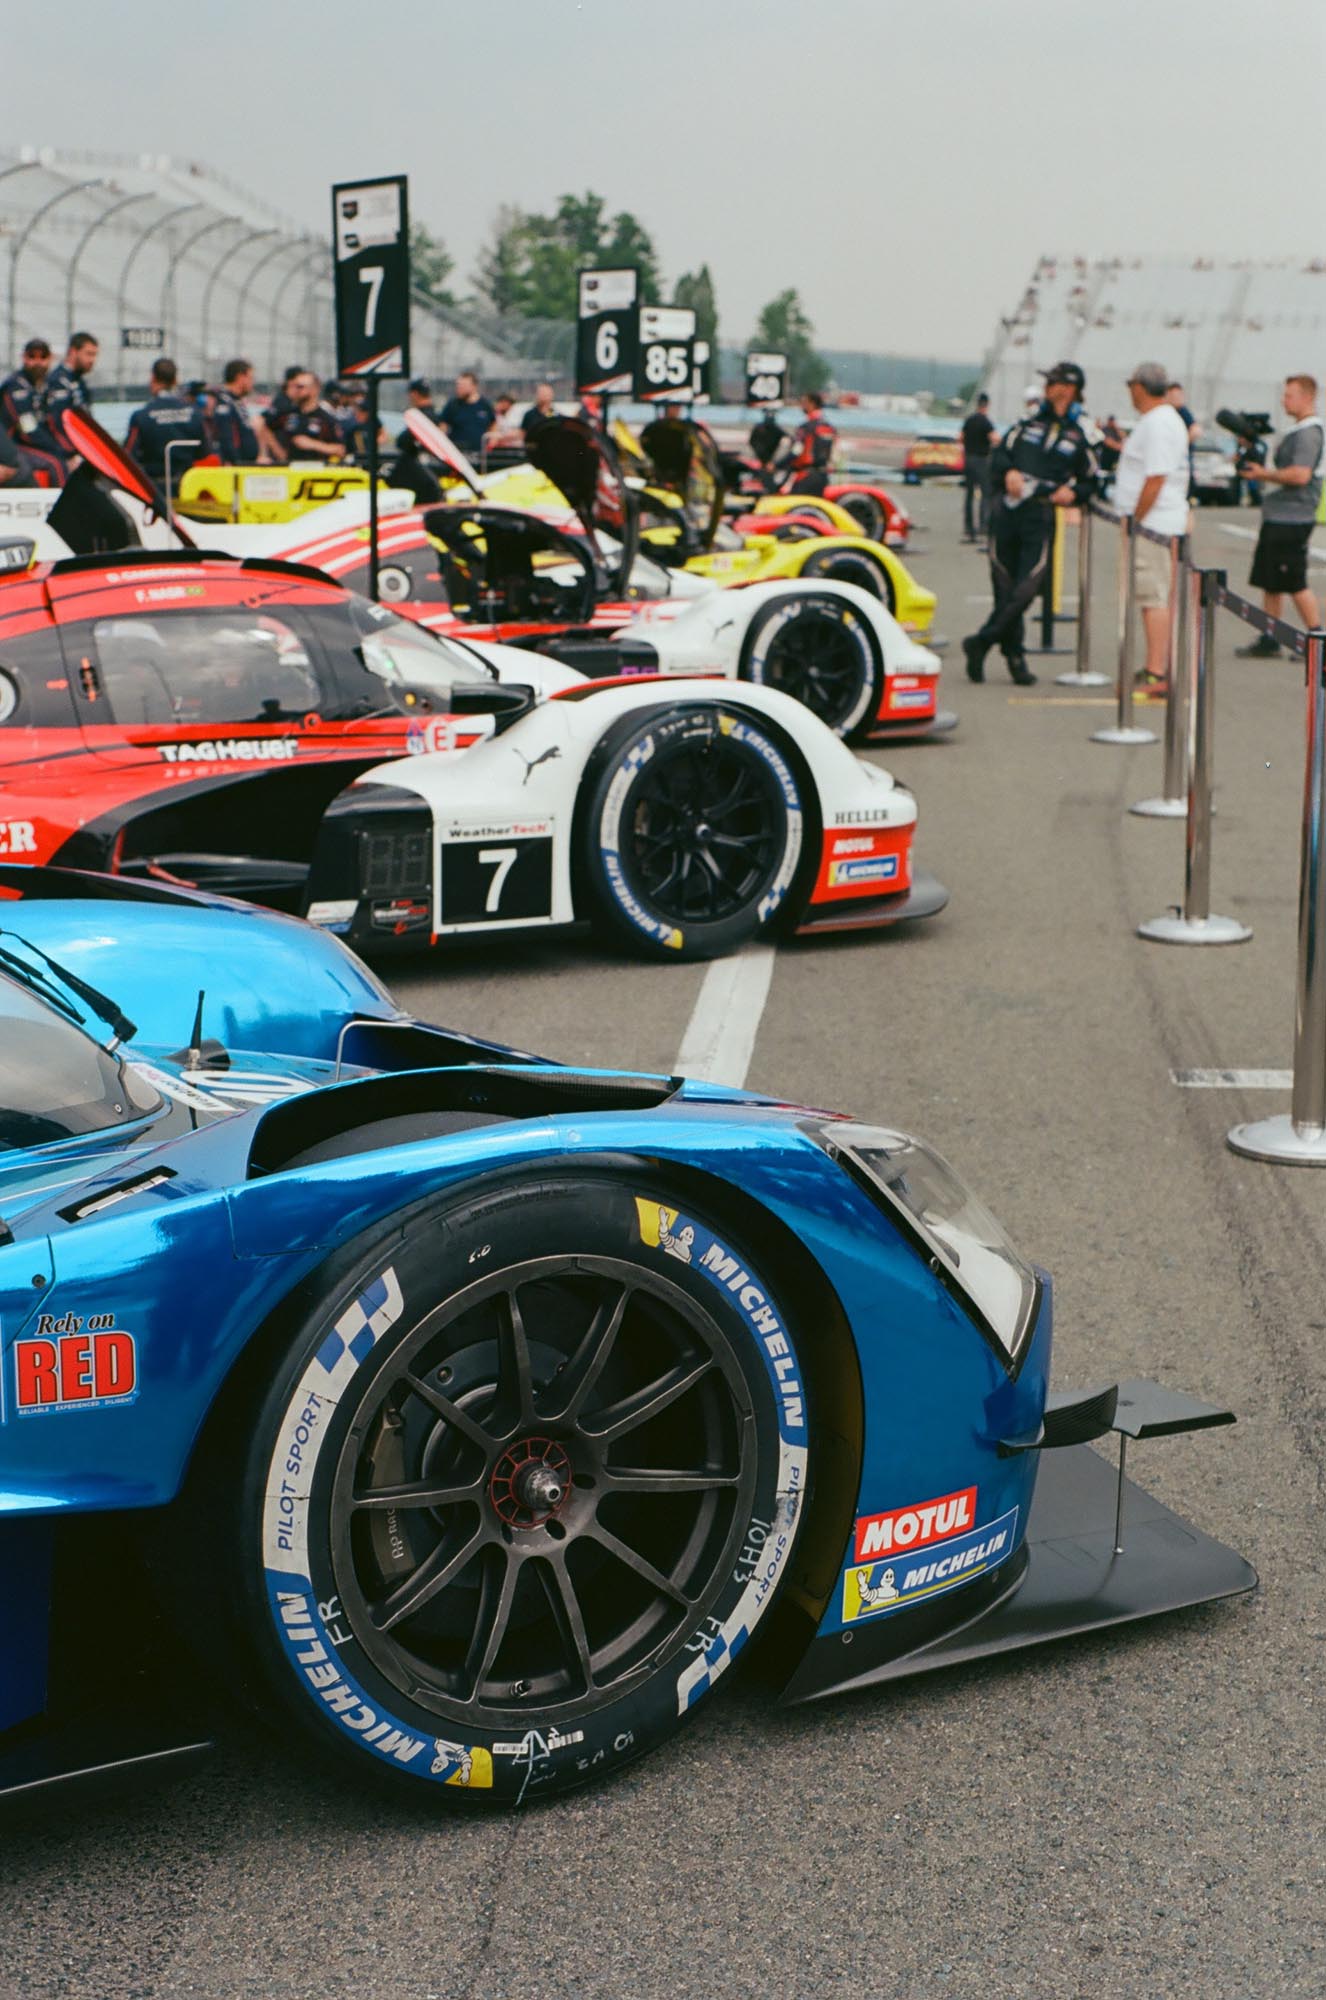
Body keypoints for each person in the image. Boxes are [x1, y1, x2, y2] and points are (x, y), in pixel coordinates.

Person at [962, 361, 1096, 687]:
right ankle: (1015, 658)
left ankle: (982, 640)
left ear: (1073, 391)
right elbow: (1001, 455)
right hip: (1007, 513)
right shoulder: (1026, 424)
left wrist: (1073, 491)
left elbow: (1093, 480)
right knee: (1004, 587)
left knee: (1026, 589)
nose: (1054, 389)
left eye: (1060, 385)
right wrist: (1007, 471)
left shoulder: (1082, 434)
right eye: (1050, 384)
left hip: (1041, 514)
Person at [1109, 362, 1191, 694]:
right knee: (1154, 596)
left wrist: (1135, 519)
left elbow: (1155, 477)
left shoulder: (1158, 423)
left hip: (1153, 524)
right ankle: (1156, 667)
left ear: (1140, 387)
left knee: (1152, 596)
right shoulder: (1164, 419)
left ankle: (1157, 672)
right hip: (1160, 521)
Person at [1236, 374, 1324, 656]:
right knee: (1270, 581)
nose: (1284, 400)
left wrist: (1263, 474)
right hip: (1279, 516)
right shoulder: (1297, 431)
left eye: (1289, 395)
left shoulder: (1309, 433)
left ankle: (1317, 638)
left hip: (1293, 517)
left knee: (1294, 580)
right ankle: (1270, 636)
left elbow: (1300, 474)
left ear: (1308, 397)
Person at [124, 357, 205, 486]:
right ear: (175, 380)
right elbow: (205, 454)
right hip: (188, 486)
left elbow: (128, 457)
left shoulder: (141, 416)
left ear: (152, 378)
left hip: (155, 489)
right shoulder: (195, 413)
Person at [0, 338, 64, 484]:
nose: (37, 362)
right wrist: (56, 447)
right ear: (24, 358)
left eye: (43, 357)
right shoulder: (16, 387)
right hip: (13, 446)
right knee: (56, 463)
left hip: (34, 444)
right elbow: (27, 429)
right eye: (32, 357)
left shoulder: (46, 386)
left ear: (50, 359)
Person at [42, 331, 100, 466]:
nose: (92, 360)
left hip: (84, 449)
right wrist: (70, 452)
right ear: (73, 352)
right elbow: (56, 423)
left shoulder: (80, 381)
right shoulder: (59, 380)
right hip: (68, 453)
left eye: (95, 355)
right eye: (89, 354)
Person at [207, 358, 273, 465]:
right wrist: (237, 462)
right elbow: (226, 437)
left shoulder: (236, 401)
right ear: (240, 378)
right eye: (251, 378)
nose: (253, 383)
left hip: (247, 464)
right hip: (236, 467)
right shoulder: (224, 401)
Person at [272, 372, 346, 461]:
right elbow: (262, 425)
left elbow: (340, 450)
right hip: (290, 470)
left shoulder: (326, 419)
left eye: (300, 387)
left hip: (315, 471)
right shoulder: (286, 414)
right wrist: (277, 452)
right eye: (294, 387)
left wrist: (313, 444)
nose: (295, 390)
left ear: (315, 389)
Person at [960, 392, 997, 542]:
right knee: (985, 493)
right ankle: (983, 525)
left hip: (968, 459)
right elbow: (994, 438)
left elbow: (960, 437)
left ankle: (968, 526)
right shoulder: (986, 422)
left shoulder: (969, 420)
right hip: (982, 460)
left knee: (969, 495)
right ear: (987, 405)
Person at [785, 390, 837, 495]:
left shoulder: (806, 427)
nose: (801, 406)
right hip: (824, 477)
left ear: (812, 404)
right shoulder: (830, 427)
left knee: (794, 508)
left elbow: (796, 452)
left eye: (804, 402)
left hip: (806, 476)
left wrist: (777, 465)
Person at [439, 370, 495, 456]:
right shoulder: (453, 405)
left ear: (474, 386)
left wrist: (492, 442)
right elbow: (442, 428)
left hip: (481, 456)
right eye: (458, 385)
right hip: (458, 454)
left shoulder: (485, 405)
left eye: (463, 385)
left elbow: (493, 425)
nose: (459, 388)